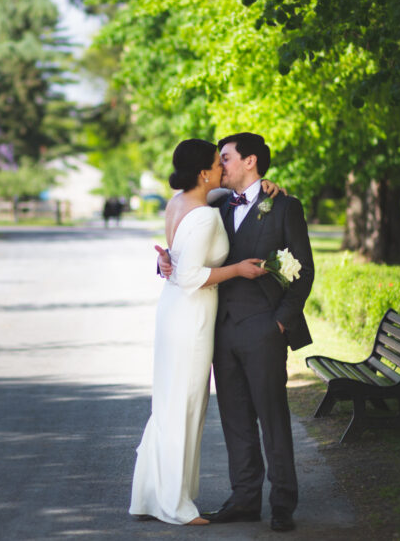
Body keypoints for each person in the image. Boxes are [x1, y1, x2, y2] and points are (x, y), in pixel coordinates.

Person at [158, 133, 314, 533]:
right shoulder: (217, 204)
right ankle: (245, 499)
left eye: (225, 158)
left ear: (250, 161)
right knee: (235, 420)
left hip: (264, 329)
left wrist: (280, 321)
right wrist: (164, 265)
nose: (219, 166)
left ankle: (282, 503)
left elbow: (304, 271)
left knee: (272, 418)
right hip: (220, 332)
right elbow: (187, 249)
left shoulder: (284, 206)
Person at [129, 139, 270, 525]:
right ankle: (175, 505)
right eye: (216, 163)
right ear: (204, 172)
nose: (224, 169)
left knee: (169, 403)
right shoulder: (206, 215)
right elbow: (191, 275)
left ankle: (152, 495)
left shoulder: (177, 203)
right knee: (186, 406)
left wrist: (273, 187)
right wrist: (238, 269)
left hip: (172, 310)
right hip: (191, 316)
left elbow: (177, 258)